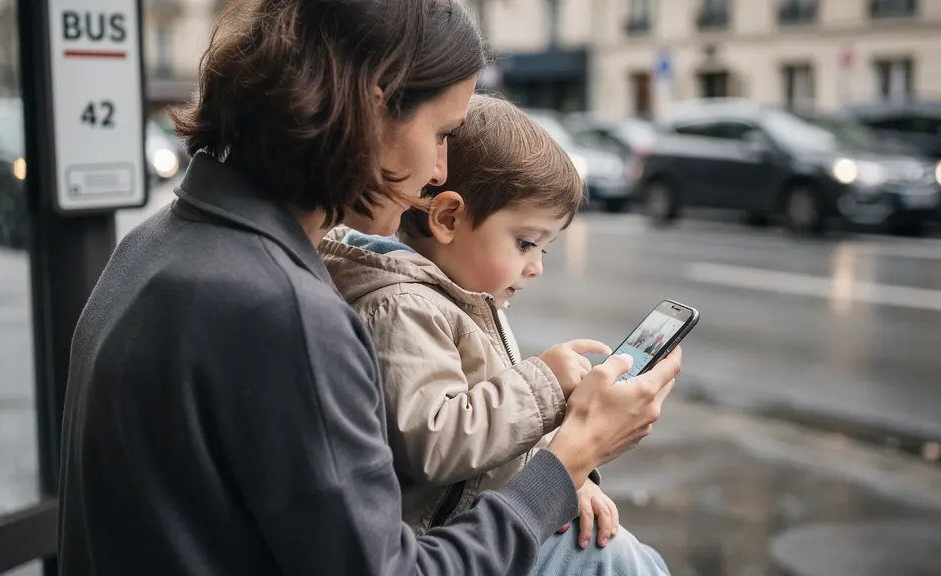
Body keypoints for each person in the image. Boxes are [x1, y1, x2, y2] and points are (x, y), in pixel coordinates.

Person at [57, 0, 681, 574]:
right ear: (371, 108)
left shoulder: (161, 243)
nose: (439, 170)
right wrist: (564, 465)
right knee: (611, 560)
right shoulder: (284, 310)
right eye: (441, 133)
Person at [320, 94, 670, 574]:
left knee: (634, 557)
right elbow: (436, 442)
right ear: (447, 218)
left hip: (481, 525)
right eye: (526, 242)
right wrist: (543, 385)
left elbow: (496, 438)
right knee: (621, 563)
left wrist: (567, 475)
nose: (535, 268)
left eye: (544, 248)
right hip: (446, 545)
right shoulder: (403, 307)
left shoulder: (464, 296)